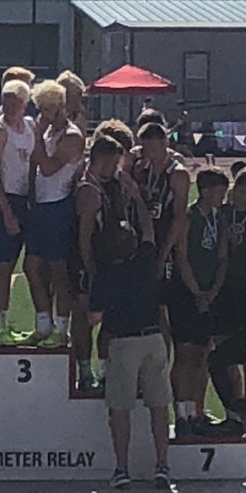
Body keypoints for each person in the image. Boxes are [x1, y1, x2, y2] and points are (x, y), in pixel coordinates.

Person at [88, 225, 172, 491]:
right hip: (154, 338)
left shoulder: (107, 274)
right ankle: (162, 466)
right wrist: (136, 196)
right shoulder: (146, 263)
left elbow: (93, 318)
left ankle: (122, 468)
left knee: (120, 408)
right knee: (159, 407)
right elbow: (149, 231)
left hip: (124, 342)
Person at [72, 124, 153, 391]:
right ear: (102, 161)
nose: (117, 167)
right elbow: (84, 236)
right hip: (92, 261)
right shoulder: (89, 189)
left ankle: (105, 371)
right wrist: (90, 268)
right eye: (114, 162)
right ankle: (85, 372)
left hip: (111, 261)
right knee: (86, 316)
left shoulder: (114, 182)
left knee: (110, 318)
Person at [166, 166, 229, 437]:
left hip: (210, 294)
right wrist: (196, 291)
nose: (223, 196)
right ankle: (180, 415)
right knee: (184, 354)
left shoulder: (219, 218)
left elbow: (223, 256)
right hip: (184, 293)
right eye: (219, 191)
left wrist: (213, 291)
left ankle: (196, 411)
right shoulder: (189, 217)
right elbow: (181, 257)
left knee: (202, 354)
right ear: (204, 191)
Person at [23, 80, 85, 347]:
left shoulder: (71, 136)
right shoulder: (47, 133)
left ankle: (61, 328)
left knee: (58, 271)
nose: (44, 114)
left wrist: (35, 138)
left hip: (59, 206)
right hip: (40, 206)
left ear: (60, 107)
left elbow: (48, 167)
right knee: (32, 267)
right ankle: (42, 323)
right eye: (41, 108)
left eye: (49, 109)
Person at [206, 166, 246, 437]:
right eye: (236, 191)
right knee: (223, 350)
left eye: (244, 192)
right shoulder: (225, 213)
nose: (238, 196)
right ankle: (233, 409)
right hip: (223, 290)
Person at [124, 121, 191, 345]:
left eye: (154, 149)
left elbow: (179, 217)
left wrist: (164, 255)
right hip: (142, 242)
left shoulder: (177, 174)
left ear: (165, 144)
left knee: (161, 307)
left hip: (164, 243)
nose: (149, 154)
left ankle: (163, 360)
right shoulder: (142, 169)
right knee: (143, 305)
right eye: (145, 149)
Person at [0, 80, 35, 345]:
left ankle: (4, 317)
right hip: (4, 199)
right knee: (0, 264)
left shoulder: (29, 126)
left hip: (26, 199)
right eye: (7, 101)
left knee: (15, 263)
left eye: (16, 102)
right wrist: (5, 210)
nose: (11, 106)